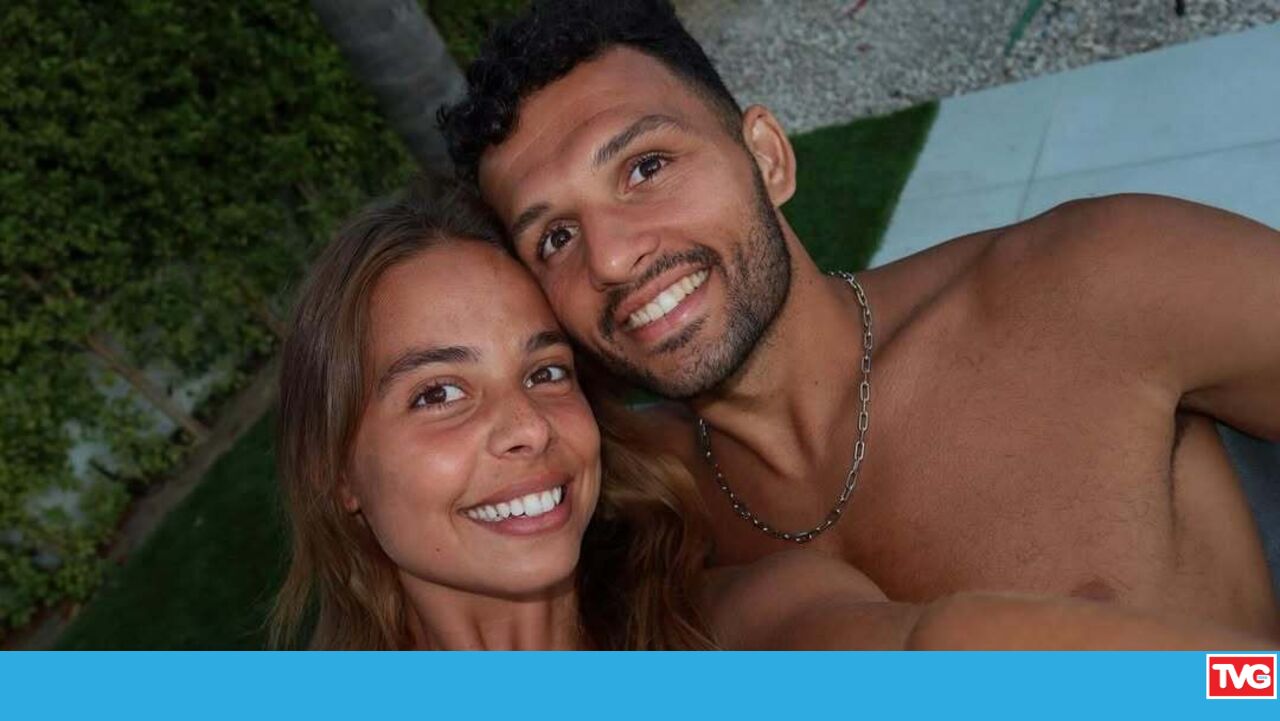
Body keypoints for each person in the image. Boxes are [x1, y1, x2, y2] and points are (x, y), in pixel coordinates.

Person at [439, 0, 1280, 639]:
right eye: (555, 237)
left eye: (646, 166)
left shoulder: (1095, 282)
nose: (614, 257)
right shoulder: (629, 506)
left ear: (767, 156)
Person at [270, 181, 1274, 650]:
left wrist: (1243, 685)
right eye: (438, 393)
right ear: (337, 473)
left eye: (545, 372)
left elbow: (933, 651)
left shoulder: (729, 625)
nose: (525, 427)